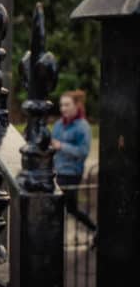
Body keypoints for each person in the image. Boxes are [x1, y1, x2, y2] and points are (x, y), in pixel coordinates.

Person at [52, 90, 97, 233]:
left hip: (72, 173)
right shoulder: (58, 124)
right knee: (68, 208)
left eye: (67, 105)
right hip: (56, 171)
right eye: (61, 105)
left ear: (76, 106)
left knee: (63, 207)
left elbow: (83, 152)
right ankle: (95, 230)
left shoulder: (82, 127)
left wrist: (61, 146)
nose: (63, 108)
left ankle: (95, 229)